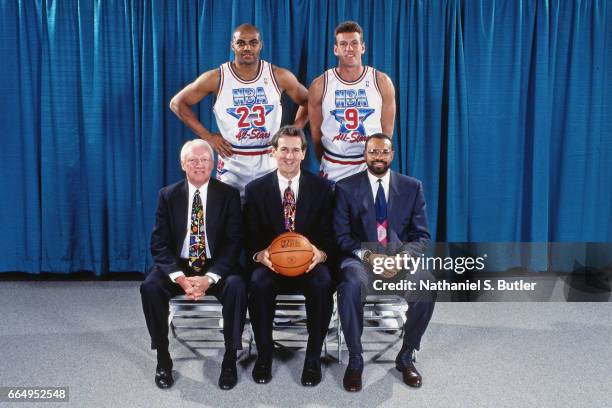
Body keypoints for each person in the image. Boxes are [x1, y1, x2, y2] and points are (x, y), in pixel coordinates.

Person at [140, 139, 247, 390]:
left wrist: (209, 278)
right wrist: (180, 278)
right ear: (182, 164)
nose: (199, 165)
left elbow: (234, 243)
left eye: (204, 160)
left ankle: (230, 358)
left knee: (237, 287)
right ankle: (163, 357)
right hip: (180, 265)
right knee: (150, 287)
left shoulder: (228, 195)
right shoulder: (168, 195)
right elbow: (159, 244)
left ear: (213, 163)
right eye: (193, 160)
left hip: (216, 264)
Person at [334, 133, 436, 391]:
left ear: (391, 155)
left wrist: (401, 258)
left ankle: (406, 356)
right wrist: (369, 256)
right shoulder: (345, 188)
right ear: (365, 154)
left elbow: (421, 236)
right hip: (361, 261)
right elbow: (341, 237)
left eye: (383, 152)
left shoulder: (412, 187)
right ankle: (356, 360)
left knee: (426, 284)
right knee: (350, 286)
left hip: (398, 260)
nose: (378, 157)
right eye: (373, 152)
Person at [170, 23, 309, 198]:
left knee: (269, 221)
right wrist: (209, 137)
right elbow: (177, 103)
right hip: (232, 162)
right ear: (232, 45)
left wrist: (294, 131)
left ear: (261, 45)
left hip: (269, 160)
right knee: (230, 220)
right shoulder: (217, 77)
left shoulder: (278, 75)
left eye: (253, 42)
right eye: (241, 43)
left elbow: (310, 101)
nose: (247, 48)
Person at [243, 125, 335, 387]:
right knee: (259, 284)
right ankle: (264, 355)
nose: (290, 156)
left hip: (309, 264)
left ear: (304, 153)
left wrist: (321, 254)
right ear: (273, 152)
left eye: (296, 150)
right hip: (272, 263)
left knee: (323, 283)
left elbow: (330, 234)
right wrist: (260, 255)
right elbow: (248, 237)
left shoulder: (323, 188)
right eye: (284, 149)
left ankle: (313, 358)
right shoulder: (255, 189)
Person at [308, 21, 396, 182]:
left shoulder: (382, 82)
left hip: (368, 165)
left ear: (363, 47)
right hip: (334, 166)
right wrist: (331, 157)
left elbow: (386, 132)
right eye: (343, 44)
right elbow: (315, 133)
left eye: (354, 43)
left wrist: (374, 157)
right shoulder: (320, 84)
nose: (349, 48)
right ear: (336, 49)